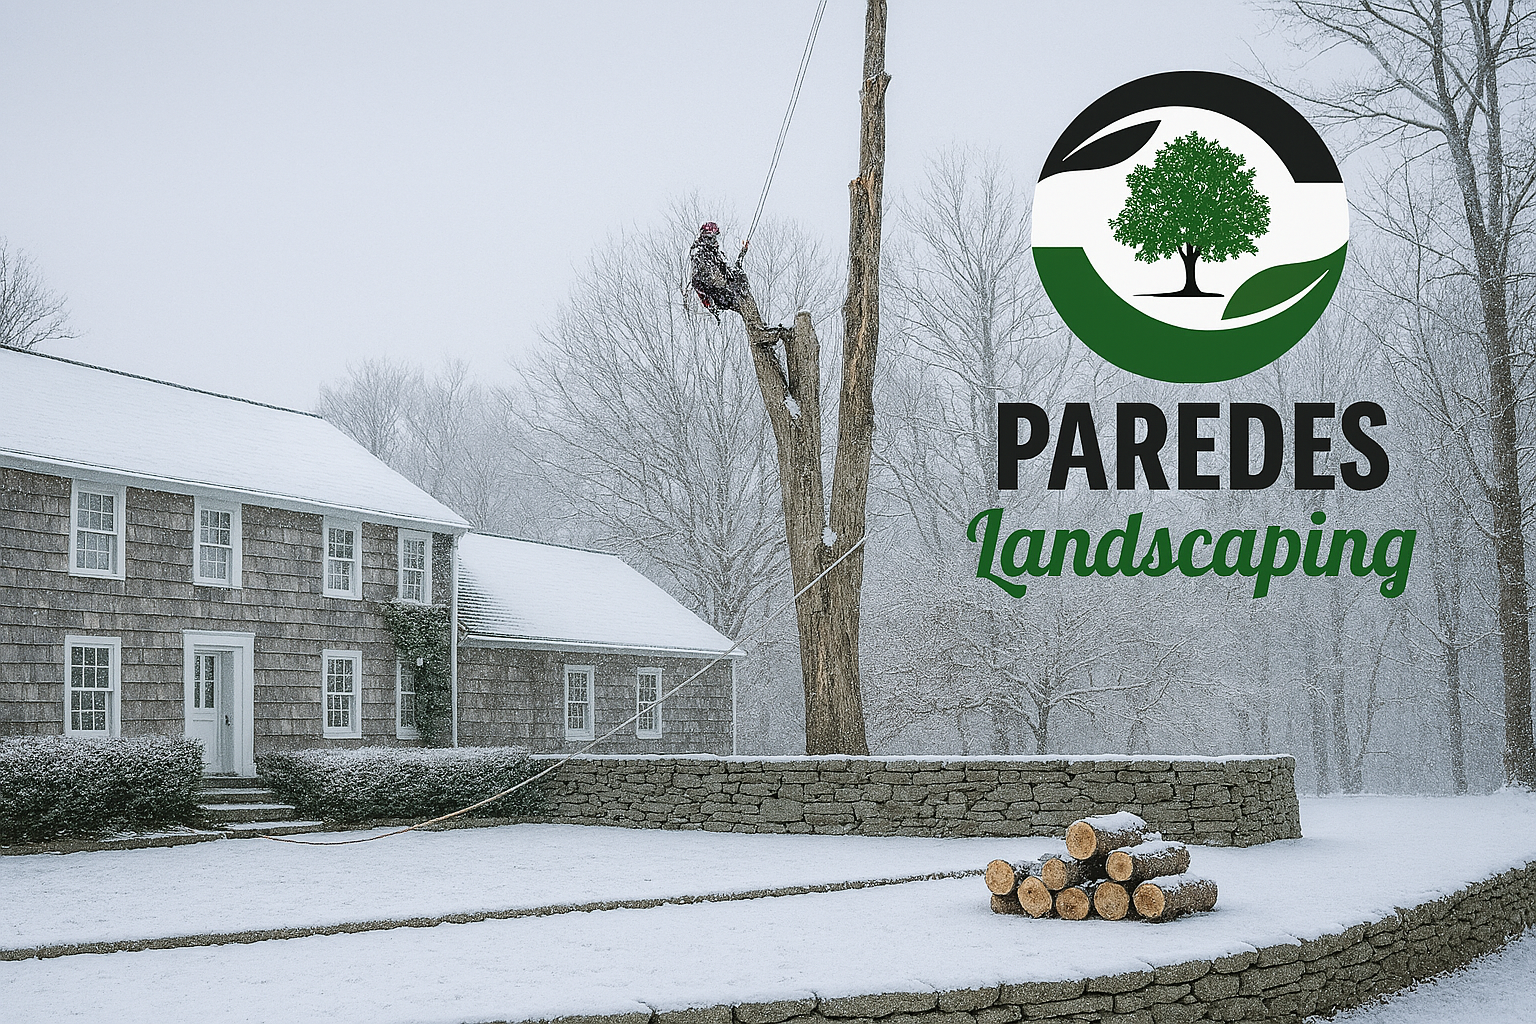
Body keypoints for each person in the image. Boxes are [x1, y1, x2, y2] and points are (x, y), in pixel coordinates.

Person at [688, 222, 748, 321]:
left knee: (740, 277)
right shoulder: (700, 256)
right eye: (712, 238)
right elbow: (700, 282)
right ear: (706, 238)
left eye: (716, 238)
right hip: (718, 296)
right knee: (740, 307)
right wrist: (709, 304)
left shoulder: (717, 254)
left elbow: (730, 272)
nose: (715, 241)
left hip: (727, 292)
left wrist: (742, 253)